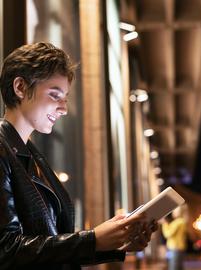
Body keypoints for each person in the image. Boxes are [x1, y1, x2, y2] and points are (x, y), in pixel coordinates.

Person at [0, 42, 157, 270]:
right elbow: (7, 250)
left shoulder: (31, 155)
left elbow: (49, 247)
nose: (63, 108)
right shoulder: (5, 150)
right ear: (20, 87)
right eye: (55, 95)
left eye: (65, 97)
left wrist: (113, 244)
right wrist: (93, 240)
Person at [161, 205, 188, 270]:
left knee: (174, 267)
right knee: (179, 267)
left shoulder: (178, 222)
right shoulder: (182, 221)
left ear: (179, 212)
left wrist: (164, 223)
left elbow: (167, 234)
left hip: (175, 248)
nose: (173, 212)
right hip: (178, 248)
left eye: (175, 211)